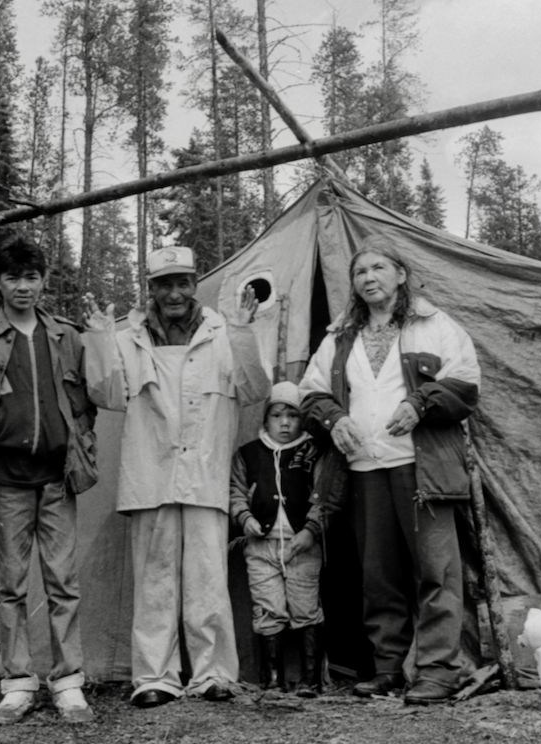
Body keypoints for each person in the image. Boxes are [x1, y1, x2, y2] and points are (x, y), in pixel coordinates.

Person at [84, 245, 271, 708]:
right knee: (154, 581)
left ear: (194, 284)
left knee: (208, 578)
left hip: (205, 474)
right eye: (163, 284)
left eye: (182, 282)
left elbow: (254, 389)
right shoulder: (129, 337)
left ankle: (214, 674)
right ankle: (155, 677)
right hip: (149, 475)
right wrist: (101, 338)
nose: (174, 293)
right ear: (150, 288)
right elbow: (108, 394)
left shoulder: (224, 331)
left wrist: (245, 330)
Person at [299, 237, 480, 706]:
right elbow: (311, 393)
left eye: (379, 268)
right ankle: (388, 668)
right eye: (360, 272)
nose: (369, 278)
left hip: (423, 471)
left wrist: (420, 402)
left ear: (401, 274)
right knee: (377, 575)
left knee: (436, 571)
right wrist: (334, 419)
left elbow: (465, 385)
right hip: (363, 468)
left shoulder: (434, 325)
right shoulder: (339, 336)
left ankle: (439, 670)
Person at [0, 238, 98, 725]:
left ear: (44, 281)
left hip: (57, 479)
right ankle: (17, 685)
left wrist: (82, 445)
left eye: (31, 277)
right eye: (13, 278)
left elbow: (91, 398)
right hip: (4, 481)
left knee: (63, 583)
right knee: (12, 586)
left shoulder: (66, 336)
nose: (23, 287)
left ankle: (68, 684)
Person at [228, 381, 326, 697]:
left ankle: (311, 679)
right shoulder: (248, 454)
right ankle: (272, 678)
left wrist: (311, 530)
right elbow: (235, 492)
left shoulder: (314, 451)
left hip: (302, 546)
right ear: (265, 419)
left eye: (293, 416)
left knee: (305, 606)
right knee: (268, 607)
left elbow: (325, 496)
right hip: (261, 546)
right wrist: (246, 519)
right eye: (277, 415)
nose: (285, 423)